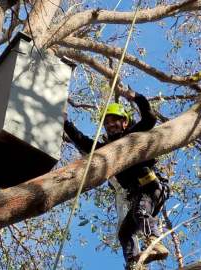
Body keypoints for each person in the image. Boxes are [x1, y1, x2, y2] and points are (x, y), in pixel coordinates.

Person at [64, 89, 170, 270]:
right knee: (125, 233)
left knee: (140, 213)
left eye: (114, 121)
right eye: (107, 122)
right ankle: (135, 264)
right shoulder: (107, 149)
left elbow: (149, 118)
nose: (110, 125)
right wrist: (65, 123)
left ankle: (156, 242)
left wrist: (136, 97)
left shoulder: (133, 134)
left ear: (125, 122)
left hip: (151, 187)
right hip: (138, 193)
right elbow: (83, 142)